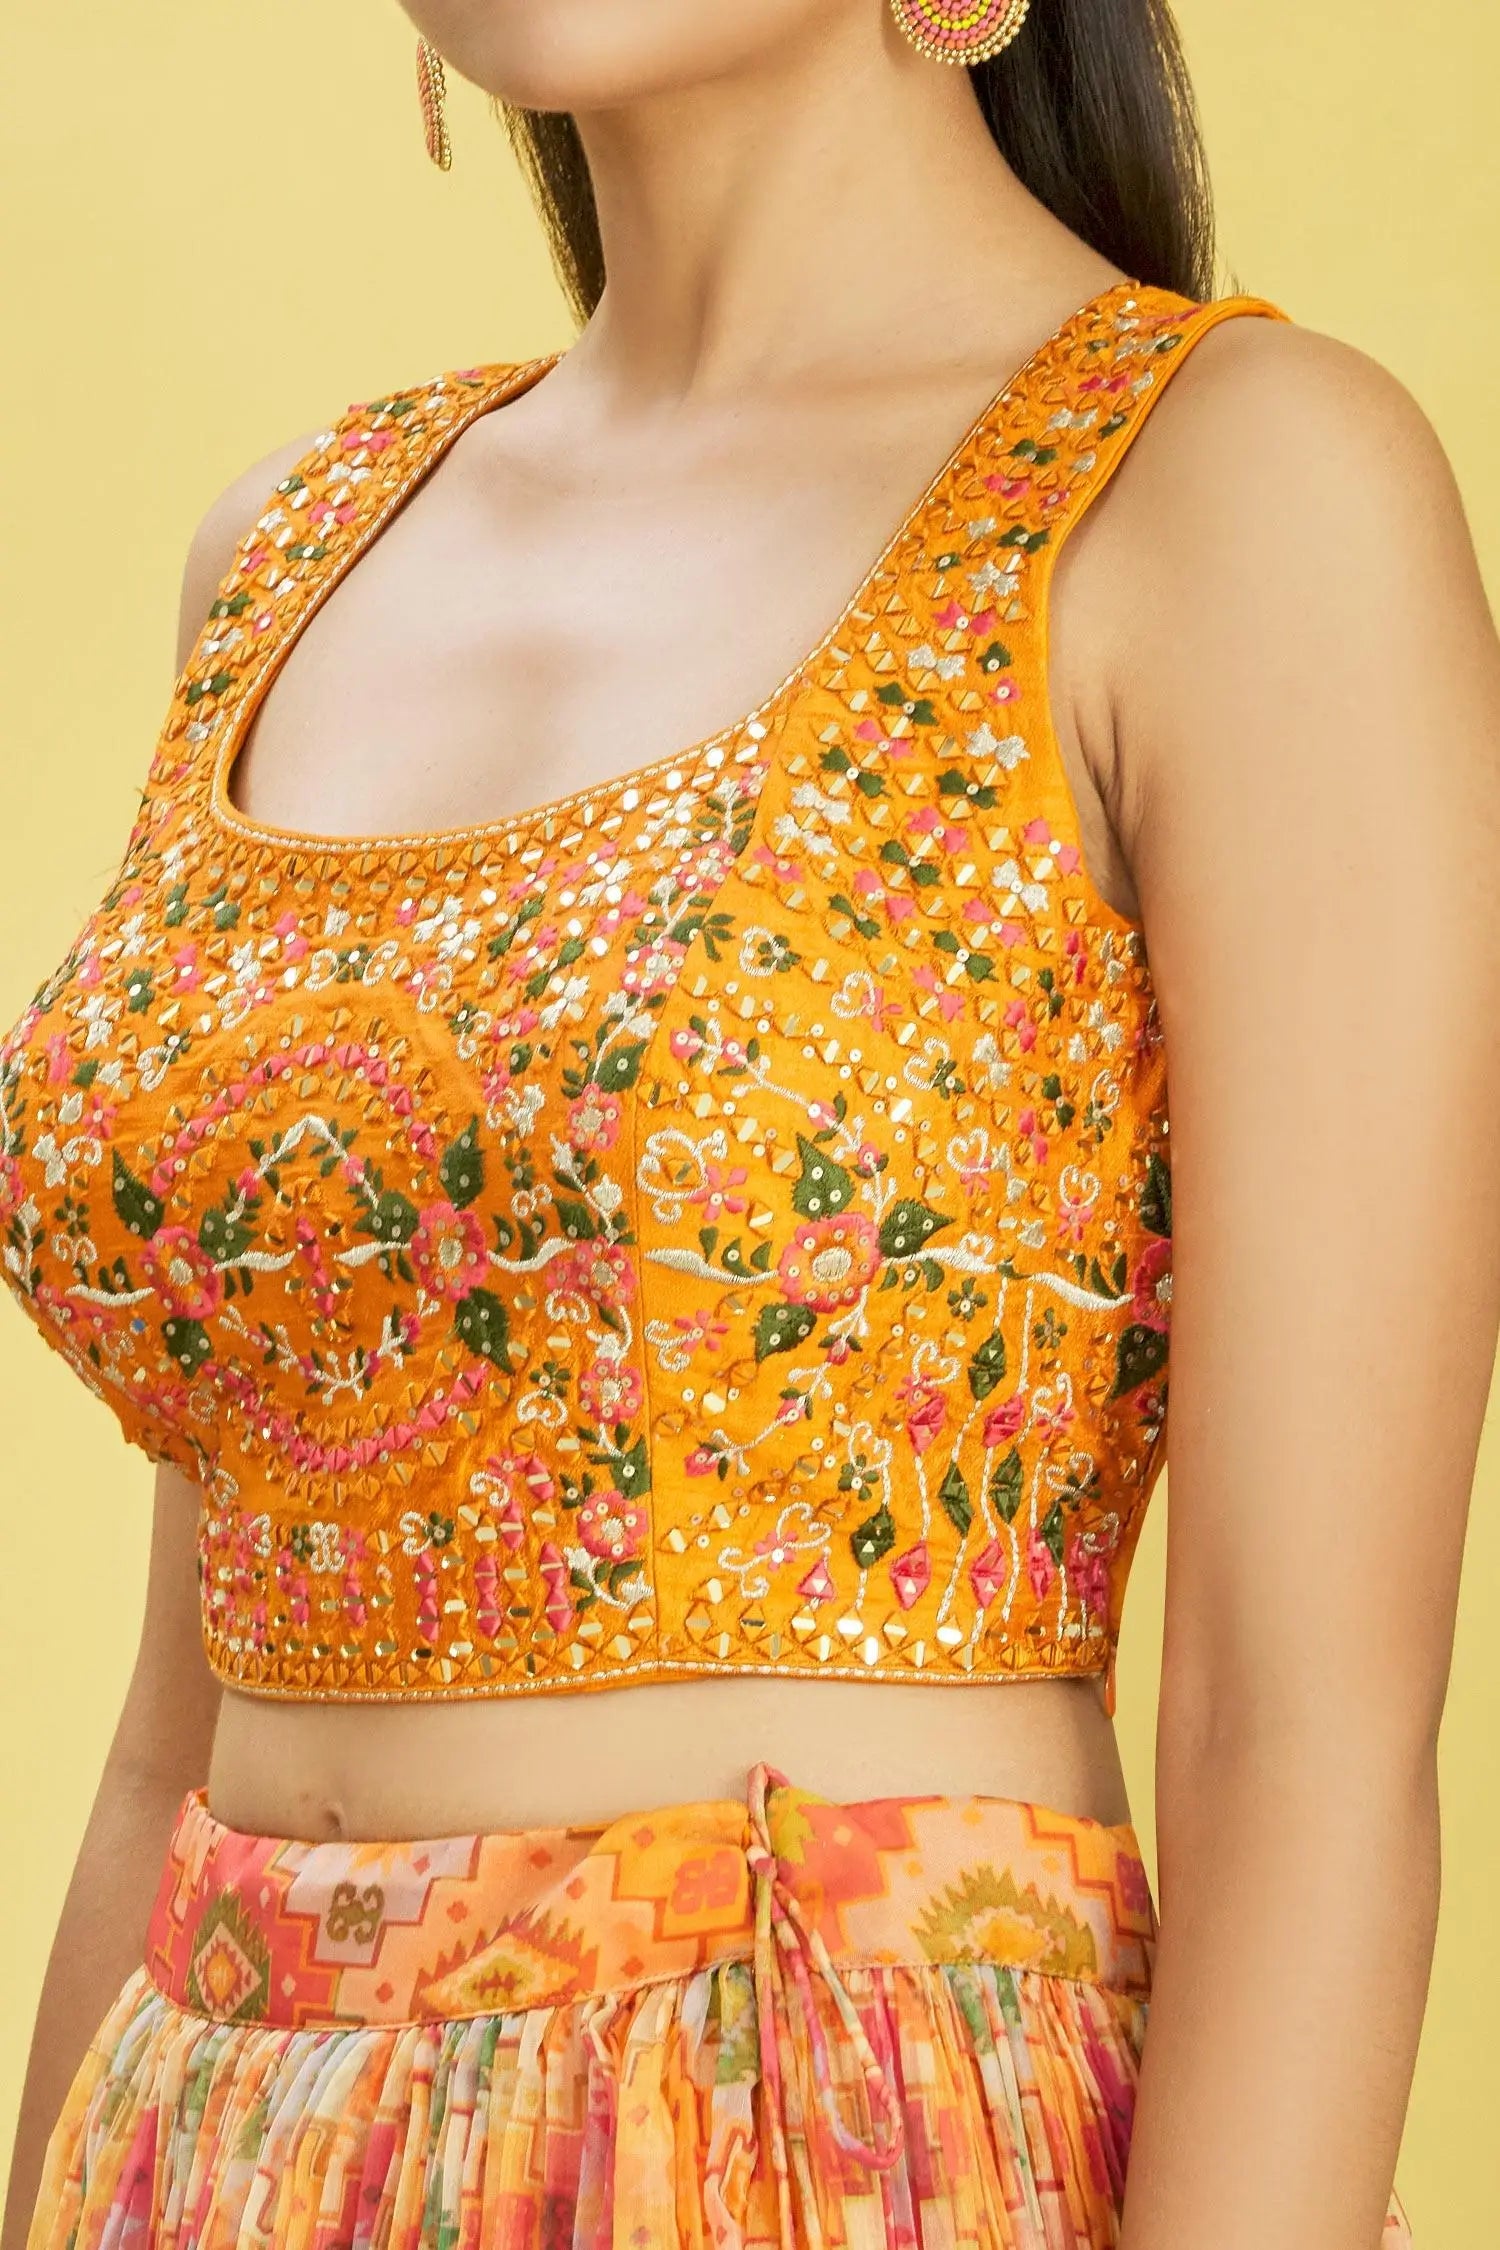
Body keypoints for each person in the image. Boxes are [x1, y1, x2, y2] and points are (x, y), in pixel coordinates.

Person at [3, 0, 1498, 2243]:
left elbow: (1304, 1743)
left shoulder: (1227, 490)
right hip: (199, 2145)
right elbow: (169, 1728)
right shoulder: (292, 551)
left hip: (823, 2147)